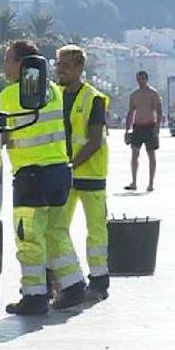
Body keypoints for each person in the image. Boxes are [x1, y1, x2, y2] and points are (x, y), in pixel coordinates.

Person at [1, 40, 85, 314]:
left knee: (29, 238)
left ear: (22, 65)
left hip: (31, 176)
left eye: (8, 60)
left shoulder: (11, 96)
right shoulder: (53, 92)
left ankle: (35, 296)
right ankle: (73, 288)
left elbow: (0, 135)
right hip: (60, 172)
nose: (4, 65)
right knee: (56, 233)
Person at [56, 45, 110, 301]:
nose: (60, 69)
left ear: (80, 67)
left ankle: (99, 281)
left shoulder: (93, 98)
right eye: (58, 64)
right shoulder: (55, 95)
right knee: (56, 227)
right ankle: (63, 279)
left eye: (65, 65)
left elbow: (95, 140)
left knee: (96, 230)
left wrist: (71, 164)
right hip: (64, 173)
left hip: (90, 174)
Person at [124, 71, 162, 192]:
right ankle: (134, 182)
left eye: (143, 79)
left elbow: (159, 111)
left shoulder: (153, 93)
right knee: (134, 154)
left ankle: (151, 183)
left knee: (151, 155)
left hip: (149, 126)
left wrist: (157, 128)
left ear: (147, 79)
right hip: (137, 127)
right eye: (139, 79)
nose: (141, 81)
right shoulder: (134, 95)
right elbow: (130, 112)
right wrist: (127, 129)